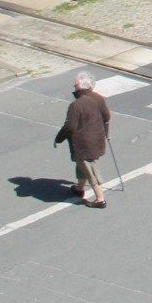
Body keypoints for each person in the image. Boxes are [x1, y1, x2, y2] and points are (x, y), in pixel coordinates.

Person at [52, 71, 110, 208]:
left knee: (90, 169)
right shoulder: (99, 98)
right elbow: (106, 117)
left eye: (76, 83)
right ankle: (79, 188)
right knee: (81, 165)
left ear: (83, 86)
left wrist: (58, 139)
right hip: (97, 139)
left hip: (83, 144)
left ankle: (100, 199)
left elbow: (70, 126)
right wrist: (106, 134)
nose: (74, 85)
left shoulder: (76, 105)